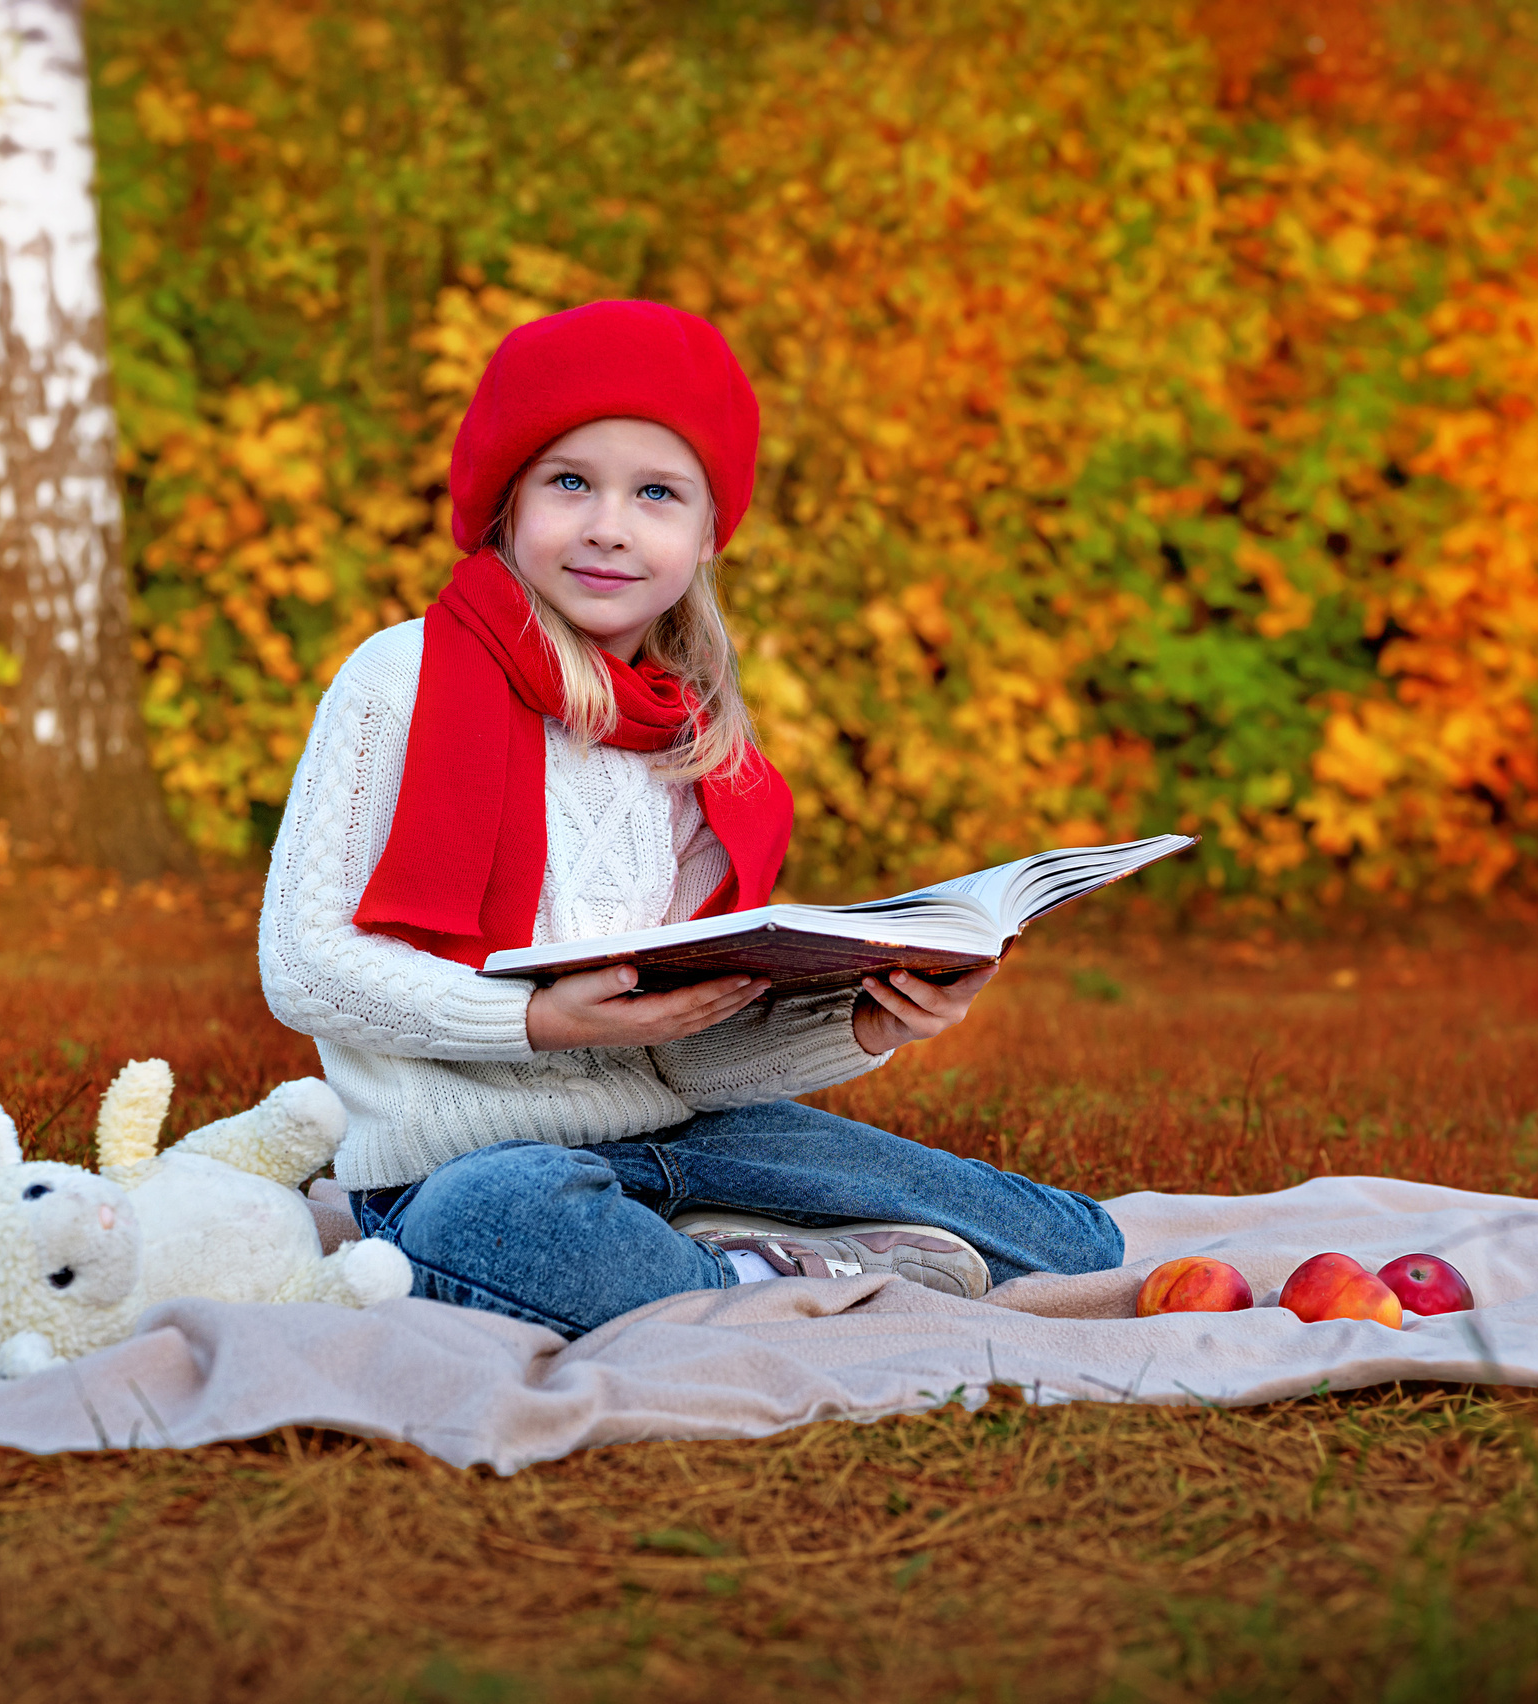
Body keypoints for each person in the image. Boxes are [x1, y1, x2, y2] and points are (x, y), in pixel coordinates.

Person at [258, 300, 1124, 1335]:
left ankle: (720, 1257)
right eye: (569, 481)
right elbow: (304, 966)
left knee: (1073, 1242)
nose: (609, 525)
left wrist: (864, 1020)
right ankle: (765, 1284)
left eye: (656, 493)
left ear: (708, 533)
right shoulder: (401, 679)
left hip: (683, 1130)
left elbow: (684, 1049)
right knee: (495, 1224)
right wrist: (539, 1022)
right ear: (505, 502)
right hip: (466, 1162)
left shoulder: (700, 744)